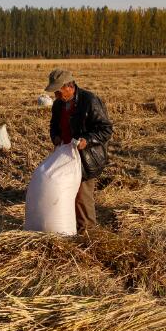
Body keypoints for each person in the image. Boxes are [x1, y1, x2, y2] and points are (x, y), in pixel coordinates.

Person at [45, 69, 113, 233]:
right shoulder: (58, 104)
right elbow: (54, 126)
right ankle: (68, 229)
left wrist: (87, 140)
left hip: (85, 158)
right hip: (65, 156)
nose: (56, 95)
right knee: (65, 194)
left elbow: (106, 129)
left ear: (70, 86)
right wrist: (55, 137)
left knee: (82, 198)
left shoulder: (89, 101)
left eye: (58, 90)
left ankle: (88, 234)